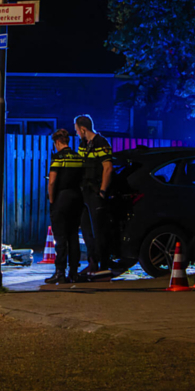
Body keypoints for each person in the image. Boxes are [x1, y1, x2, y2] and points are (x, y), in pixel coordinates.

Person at [74, 114, 119, 278]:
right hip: (84, 192)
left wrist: (102, 191)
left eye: (77, 130)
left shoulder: (101, 143)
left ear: (83, 129)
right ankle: (92, 262)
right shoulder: (83, 144)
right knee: (86, 229)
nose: (77, 133)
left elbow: (108, 168)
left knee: (100, 230)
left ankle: (104, 265)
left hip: (95, 193)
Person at [45, 129, 84, 284]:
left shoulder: (58, 157)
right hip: (77, 198)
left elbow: (52, 182)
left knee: (60, 237)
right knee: (73, 236)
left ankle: (60, 272)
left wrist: (52, 201)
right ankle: (74, 272)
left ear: (58, 142)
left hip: (61, 199)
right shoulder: (78, 157)